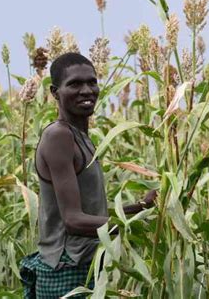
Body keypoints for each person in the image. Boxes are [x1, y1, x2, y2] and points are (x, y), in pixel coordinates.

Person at [19, 52, 157, 298]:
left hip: (84, 264)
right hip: (64, 268)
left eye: (92, 82)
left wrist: (140, 206)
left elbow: (90, 215)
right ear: (54, 92)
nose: (87, 90)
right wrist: (133, 228)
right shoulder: (59, 136)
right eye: (74, 84)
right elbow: (73, 221)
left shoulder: (80, 137)